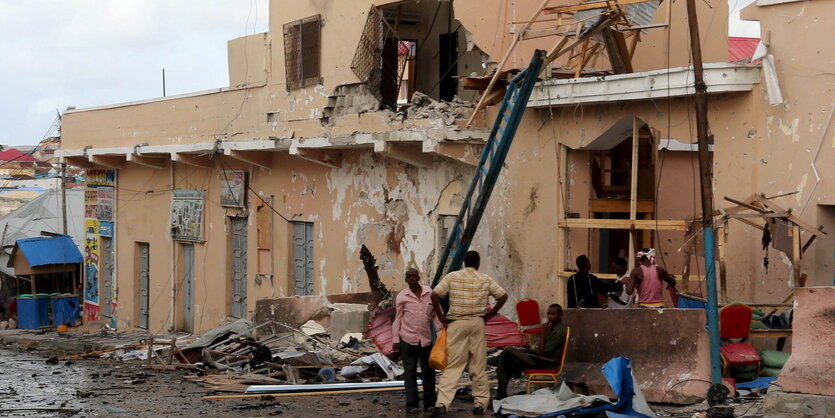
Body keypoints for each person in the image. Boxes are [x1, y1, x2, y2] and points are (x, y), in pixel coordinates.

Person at [428, 250, 508, 416]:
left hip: (457, 323)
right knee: (478, 366)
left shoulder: (452, 277)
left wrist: (442, 317)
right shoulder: (485, 279)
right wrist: (491, 314)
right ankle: (480, 404)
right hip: (478, 323)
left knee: (453, 365)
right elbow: (502, 295)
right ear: (478, 263)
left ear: (464, 262)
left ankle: (442, 404)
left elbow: (435, 295)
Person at [391, 268, 441, 414]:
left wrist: (440, 335)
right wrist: (395, 340)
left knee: (428, 372)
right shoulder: (402, 297)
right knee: (410, 373)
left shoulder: (429, 293)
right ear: (406, 280)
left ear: (418, 277)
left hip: (425, 340)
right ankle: (412, 405)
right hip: (408, 339)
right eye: (409, 277)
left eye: (414, 276)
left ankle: (429, 404)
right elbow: (397, 319)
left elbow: (436, 315)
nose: (412, 279)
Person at [495, 304, 567, 400]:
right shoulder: (551, 327)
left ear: (560, 315)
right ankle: (501, 393)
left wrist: (542, 333)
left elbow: (544, 352)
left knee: (508, 349)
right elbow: (539, 349)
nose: (549, 316)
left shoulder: (560, 330)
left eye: (553, 314)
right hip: (538, 358)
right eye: (548, 314)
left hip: (546, 363)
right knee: (503, 360)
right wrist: (529, 351)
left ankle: (496, 359)